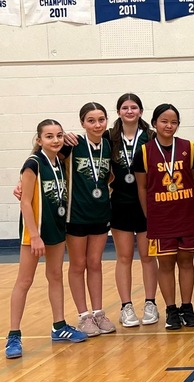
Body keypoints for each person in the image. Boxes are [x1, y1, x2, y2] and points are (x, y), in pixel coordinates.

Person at [6, 120, 88, 359]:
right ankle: (13, 335)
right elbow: (24, 202)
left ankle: (59, 326)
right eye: (50, 136)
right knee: (25, 280)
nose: (56, 140)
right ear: (39, 139)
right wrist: (35, 236)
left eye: (59, 135)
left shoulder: (59, 161)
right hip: (36, 232)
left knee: (55, 276)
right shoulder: (33, 164)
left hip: (56, 228)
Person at [133, 104, 194, 330]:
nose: (169, 126)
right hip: (161, 217)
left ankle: (187, 306)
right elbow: (142, 187)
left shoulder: (189, 148)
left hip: (186, 214)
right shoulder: (144, 151)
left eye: (173, 122)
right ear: (154, 123)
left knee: (186, 262)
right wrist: (149, 215)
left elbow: (191, 179)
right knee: (165, 264)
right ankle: (171, 309)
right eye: (164, 121)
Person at [107, 94, 159, 327]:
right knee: (124, 257)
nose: (129, 111)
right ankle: (126, 306)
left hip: (146, 204)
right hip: (119, 204)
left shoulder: (151, 137)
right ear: (118, 112)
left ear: (140, 111)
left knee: (148, 257)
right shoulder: (109, 138)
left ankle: (151, 303)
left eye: (134, 107)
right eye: (125, 108)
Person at [65, 103, 115, 337]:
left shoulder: (108, 144)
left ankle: (98, 312)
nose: (97, 124)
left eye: (101, 119)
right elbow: (43, 156)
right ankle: (83, 315)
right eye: (91, 120)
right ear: (82, 123)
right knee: (78, 264)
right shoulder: (72, 145)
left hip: (100, 213)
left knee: (95, 263)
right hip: (76, 214)